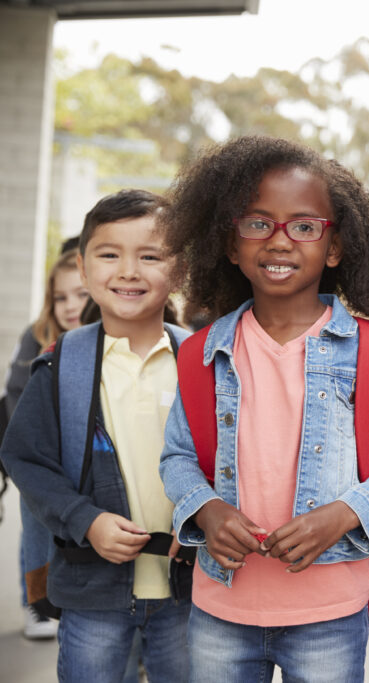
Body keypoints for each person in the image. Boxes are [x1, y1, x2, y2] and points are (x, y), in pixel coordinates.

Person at [158, 135, 369, 683]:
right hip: (222, 608)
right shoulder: (202, 352)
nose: (280, 241)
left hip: (329, 612)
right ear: (230, 244)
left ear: (335, 247)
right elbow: (177, 456)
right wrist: (207, 511)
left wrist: (345, 514)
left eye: (304, 226)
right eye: (258, 223)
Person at [0, 189, 192, 682]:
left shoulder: (203, 364)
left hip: (190, 596)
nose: (129, 271)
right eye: (110, 255)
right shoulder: (61, 365)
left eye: (150, 256)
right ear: (83, 271)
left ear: (180, 271)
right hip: (92, 594)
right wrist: (84, 520)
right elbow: (27, 460)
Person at [4, 248, 89, 639]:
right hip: (46, 454)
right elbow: (17, 397)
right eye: (60, 297)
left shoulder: (108, 339)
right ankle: (37, 602)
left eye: (80, 295)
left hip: (91, 459)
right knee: (35, 509)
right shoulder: (37, 337)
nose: (70, 306)